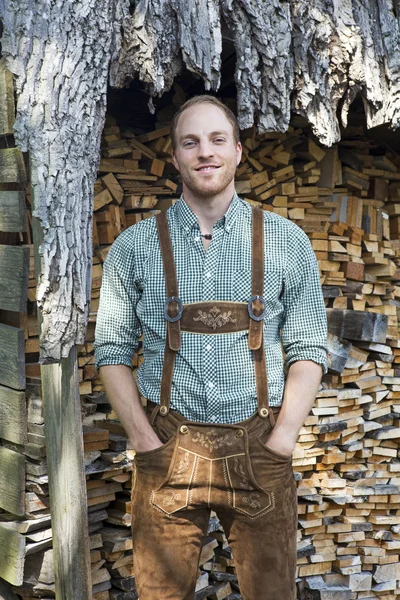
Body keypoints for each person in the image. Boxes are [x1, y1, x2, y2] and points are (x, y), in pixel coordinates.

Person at [94, 95, 328, 600]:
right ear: (175, 157)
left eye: (217, 140)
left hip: (261, 445)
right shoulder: (133, 248)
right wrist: (142, 440)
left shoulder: (287, 241)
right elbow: (111, 350)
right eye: (191, 142)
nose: (206, 152)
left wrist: (283, 438)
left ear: (238, 151)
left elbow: (309, 345)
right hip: (166, 447)